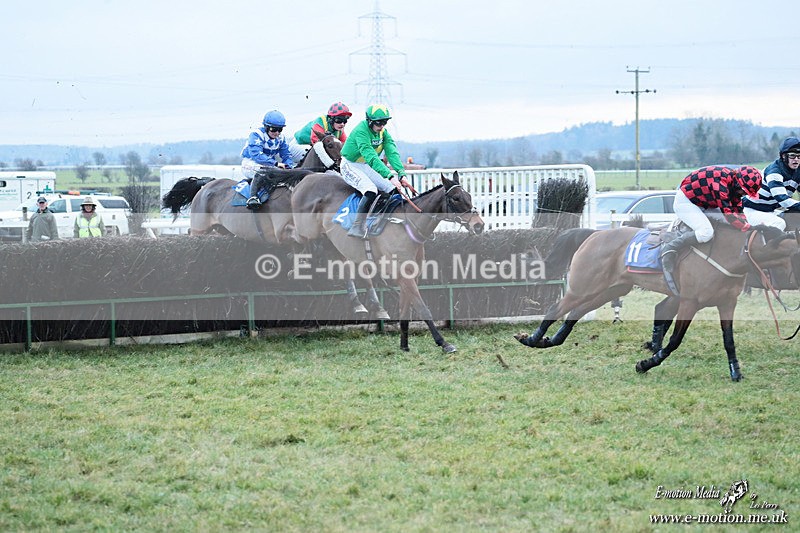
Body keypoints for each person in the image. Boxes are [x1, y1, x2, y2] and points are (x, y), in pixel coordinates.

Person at [660, 165, 763, 282]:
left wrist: (746, 223)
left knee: (731, 227)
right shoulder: (720, 184)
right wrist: (746, 226)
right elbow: (729, 214)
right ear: (738, 184)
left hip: (705, 202)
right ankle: (671, 247)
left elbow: (737, 207)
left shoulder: (733, 183)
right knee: (706, 233)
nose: (743, 195)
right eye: (744, 191)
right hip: (686, 202)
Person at [339, 104, 412, 238]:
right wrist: (390, 176)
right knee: (370, 190)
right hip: (350, 164)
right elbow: (371, 156)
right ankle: (356, 226)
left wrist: (401, 174)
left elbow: (392, 152)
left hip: (366, 165)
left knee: (393, 189)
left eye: (385, 122)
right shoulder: (361, 131)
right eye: (379, 122)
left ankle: (384, 221)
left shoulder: (383, 133)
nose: (382, 126)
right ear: (370, 121)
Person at [743, 136, 800, 230]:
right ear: (783, 156)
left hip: (770, 210)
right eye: (792, 155)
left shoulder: (797, 170)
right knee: (779, 223)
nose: (796, 159)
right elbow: (783, 200)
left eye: (799, 156)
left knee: (794, 217)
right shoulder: (774, 172)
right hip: (753, 210)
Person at [241, 110, 295, 208]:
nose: (277, 133)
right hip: (250, 163)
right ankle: (253, 198)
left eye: (280, 129)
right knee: (263, 171)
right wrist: (275, 164)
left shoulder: (281, 138)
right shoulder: (256, 135)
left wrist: (289, 167)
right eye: (273, 129)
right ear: (266, 127)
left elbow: (286, 155)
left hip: (269, 164)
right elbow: (256, 155)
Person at [287, 101, 352, 162]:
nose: (342, 124)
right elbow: (317, 144)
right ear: (331, 119)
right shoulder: (320, 122)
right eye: (339, 120)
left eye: (345, 121)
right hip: (297, 146)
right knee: (319, 154)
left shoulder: (340, 130)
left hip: (308, 146)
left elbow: (346, 145)